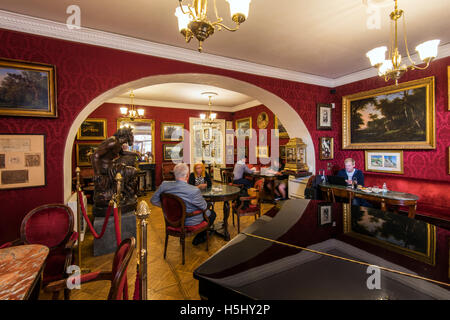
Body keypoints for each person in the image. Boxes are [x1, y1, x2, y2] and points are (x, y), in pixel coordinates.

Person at [151, 163, 216, 245]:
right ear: (187, 175)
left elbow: (153, 200)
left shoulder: (164, 185)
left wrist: (169, 209)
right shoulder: (194, 190)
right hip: (189, 222)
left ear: (174, 174)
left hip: (172, 220)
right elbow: (204, 207)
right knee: (212, 214)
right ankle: (200, 236)